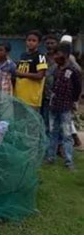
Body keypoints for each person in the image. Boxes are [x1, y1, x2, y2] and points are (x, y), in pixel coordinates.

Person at [45, 43, 82, 171]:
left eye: (58, 54)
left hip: (65, 107)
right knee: (52, 133)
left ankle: (69, 161)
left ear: (65, 55)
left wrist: (73, 101)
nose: (55, 56)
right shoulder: (55, 69)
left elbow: (77, 89)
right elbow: (50, 83)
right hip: (53, 106)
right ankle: (50, 157)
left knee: (66, 135)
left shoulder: (73, 70)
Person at [14, 30, 48, 110]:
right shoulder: (23, 55)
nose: (31, 43)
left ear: (38, 43)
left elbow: (40, 75)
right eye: (29, 40)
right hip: (19, 96)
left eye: (34, 41)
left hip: (32, 99)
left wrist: (21, 74)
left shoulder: (41, 56)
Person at [42, 34, 59, 136]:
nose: (50, 45)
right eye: (47, 43)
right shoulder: (42, 57)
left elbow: (77, 71)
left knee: (59, 122)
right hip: (44, 95)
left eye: (52, 43)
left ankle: (59, 146)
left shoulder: (63, 58)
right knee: (45, 121)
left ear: (57, 44)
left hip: (59, 95)